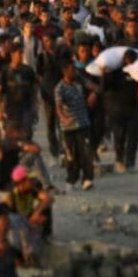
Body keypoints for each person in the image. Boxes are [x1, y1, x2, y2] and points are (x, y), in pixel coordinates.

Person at [55, 61, 95, 191]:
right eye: (72, 70)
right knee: (71, 155)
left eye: (75, 70)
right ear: (65, 71)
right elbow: (59, 106)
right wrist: (63, 118)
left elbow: (96, 88)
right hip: (69, 128)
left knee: (86, 153)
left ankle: (87, 179)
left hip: (83, 124)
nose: (75, 72)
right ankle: (71, 180)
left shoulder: (80, 82)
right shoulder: (59, 88)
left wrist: (93, 94)